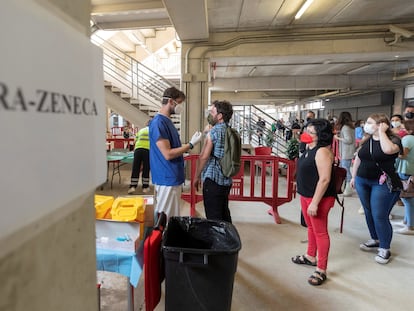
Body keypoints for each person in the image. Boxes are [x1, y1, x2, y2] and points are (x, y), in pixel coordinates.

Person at [350, 113, 402, 264]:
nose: (366, 124)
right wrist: (353, 176)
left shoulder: (393, 140)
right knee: (368, 212)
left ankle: (385, 248)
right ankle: (375, 239)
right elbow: (359, 157)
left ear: (381, 125)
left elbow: (387, 150)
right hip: (362, 180)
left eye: (371, 122)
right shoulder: (367, 139)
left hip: (382, 183)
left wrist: (382, 133)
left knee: (380, 215)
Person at [291, 118, 335, 286]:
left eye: (311, 132)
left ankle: (321, 269)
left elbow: (324, 179)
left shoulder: (322, 151)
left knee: (320, 232)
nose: (306, 134)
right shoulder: (308, 147)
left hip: (318, 198)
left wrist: (315, 203)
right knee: (311, 228)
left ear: (321, 136)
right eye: (306, 130)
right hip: (306, 194)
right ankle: (310, 256)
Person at [149, 86, 202, 219]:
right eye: (179, 103)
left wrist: (183, 150)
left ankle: (169, 239)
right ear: (171, 102)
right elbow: (167, 153)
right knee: (165, 219)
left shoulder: (167, 122)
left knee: (172, 217)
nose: (180, 107)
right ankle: (163, 240)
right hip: (167, 177)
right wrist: (190, 145)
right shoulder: (158, 123)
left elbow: (173, 149)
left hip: (172, 176)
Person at [194, 100, 234, 223]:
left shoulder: (214, 132)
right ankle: (229, 239)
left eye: (212, 112)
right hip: (226, 179)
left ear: (220, 116)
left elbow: (204, 156)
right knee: (224, 213)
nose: (210, 115)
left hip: (213, 180)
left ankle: (217, 241)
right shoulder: (230, 131)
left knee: (213, 218)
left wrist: (196, 176)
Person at [394, 119, 414, 235]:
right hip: (411, 170)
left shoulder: (408, 139)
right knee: (409, 197)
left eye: (403, 128)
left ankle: (410, 226)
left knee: (407, 198)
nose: (401, 130)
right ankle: (406, 221)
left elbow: (403, 154)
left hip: (405, 170)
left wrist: (391, 150)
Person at [334, 111, 355, 196]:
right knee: (346, 169)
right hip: (349, 151)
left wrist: (338, 138)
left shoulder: (345, 127)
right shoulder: (350, 127)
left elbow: (348, 140)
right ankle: (347, 187)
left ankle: (349, 188)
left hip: (346, 152)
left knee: (345, 171)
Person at [128, 122, 150, 194]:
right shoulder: (153, 131)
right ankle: (145, 187)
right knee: (146, 168)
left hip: (138, 150)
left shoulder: (141, 130)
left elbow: (135, 141)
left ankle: (132, 186)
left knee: (136, 168)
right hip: (147, 150)